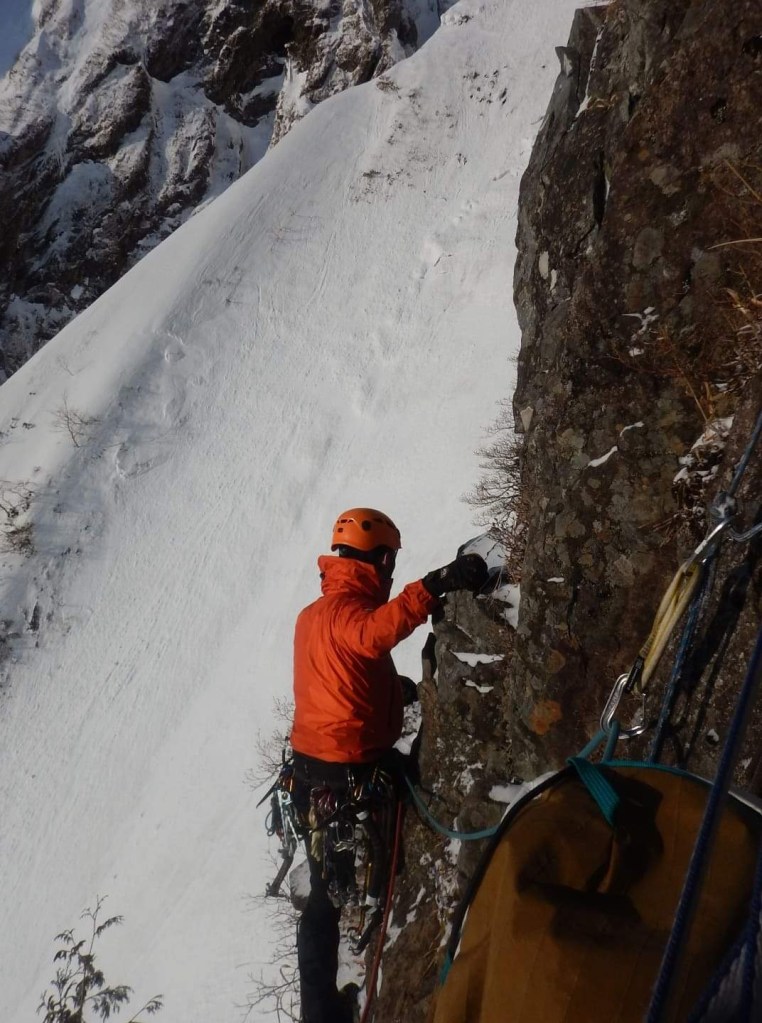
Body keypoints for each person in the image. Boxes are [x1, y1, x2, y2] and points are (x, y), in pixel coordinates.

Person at [290, 507, 489, 1023]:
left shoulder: (313, 615)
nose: (392, 572)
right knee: (351, 893)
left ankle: (320, 1010)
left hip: (311, 777)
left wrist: (391, 693)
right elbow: (372, 635)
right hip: (348, 779)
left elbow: (337, 677)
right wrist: (436, 585)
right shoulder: (350, 616)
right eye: (391, 562)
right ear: (379, 561)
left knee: (323, 900)